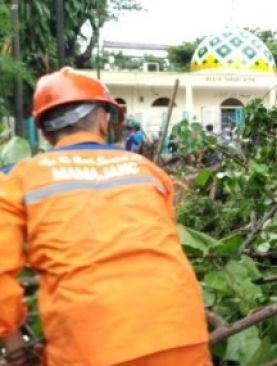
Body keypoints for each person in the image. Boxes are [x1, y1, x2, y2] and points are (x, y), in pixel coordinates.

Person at [0, 67, 210, 366]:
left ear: (45, 131)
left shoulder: (17, 179)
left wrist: (13, 344)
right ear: (103, 119)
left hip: (91, 346)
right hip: (181, 331)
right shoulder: (147, 170)